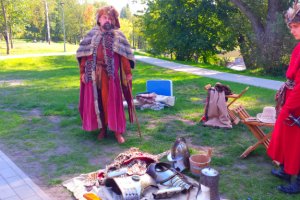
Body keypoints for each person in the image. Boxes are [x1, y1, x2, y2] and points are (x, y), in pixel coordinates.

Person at [76, 5, 135, 144]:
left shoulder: (118, 36)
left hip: (111, 76)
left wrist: (127, 73)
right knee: (99, 104)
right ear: (99, 19)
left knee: (113, 103)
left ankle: (117, 132)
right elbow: (85, 54)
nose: (107, 20)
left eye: (110, 18)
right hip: (94, 75)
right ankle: (102, 129)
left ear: (113, 20)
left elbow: (124, 57)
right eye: (104, 17)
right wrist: (82, 72)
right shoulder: (92, 35)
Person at [267, 0, 300, 194]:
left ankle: (298, 183)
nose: (293, 31)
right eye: (292, 28)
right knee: (288, 140)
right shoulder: (298, 47)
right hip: (292, 101)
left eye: (296, 26)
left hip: (297, 104)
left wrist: (288, 108)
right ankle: (286, 171)